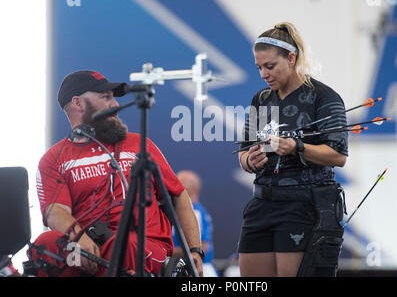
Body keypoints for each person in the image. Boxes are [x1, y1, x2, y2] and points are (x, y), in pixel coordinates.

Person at [31, 70, 203, 277]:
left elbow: (178, 196)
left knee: (122, 246)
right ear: (78, 103)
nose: (115, 105)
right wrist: (79, 238)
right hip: (88, 249)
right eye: (105, 97)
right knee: (44, 245)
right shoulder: (54, 158)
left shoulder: (139, 145)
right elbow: (55, 211)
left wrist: (195, 250)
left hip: (144, 245)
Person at [238, 22, 348, 277]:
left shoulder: (323, 97)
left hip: (302, 205)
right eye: (259, 68)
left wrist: (296, 146)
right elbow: (243, 151)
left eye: (270, 66)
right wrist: (249, 161)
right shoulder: (261, 99)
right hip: (262, 203)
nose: (264, 74)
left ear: (291, 58)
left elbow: (339, 156)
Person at [171, 170, 219, 277]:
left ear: (189, 189)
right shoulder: (196, 210)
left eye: (178, 183)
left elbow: (203, 247)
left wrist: (168, 253)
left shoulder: (193, 212)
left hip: (196, 269)